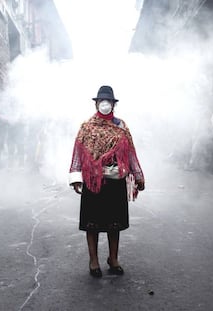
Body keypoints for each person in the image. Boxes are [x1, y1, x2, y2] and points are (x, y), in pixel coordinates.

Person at [69, 85, 145, 278]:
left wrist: (137, 175)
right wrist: (76, 178)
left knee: (114, 224)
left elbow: (130, 153)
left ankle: (113, 259)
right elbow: (78, 153)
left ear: (113, 104)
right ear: (96, 104)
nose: (105, 104)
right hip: (93, 181)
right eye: (101, 101)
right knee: (91, 224)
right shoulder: (87, 127)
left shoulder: (121, 127)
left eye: (108, 101)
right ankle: (93, 261)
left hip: (115, 181)